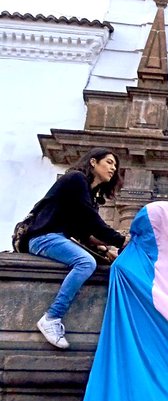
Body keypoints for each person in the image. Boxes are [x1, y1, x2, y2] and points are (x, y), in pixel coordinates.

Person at [26, 148, 126, 350]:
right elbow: (91, 221)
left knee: (98, 262)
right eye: (108, 162)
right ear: (93, 162)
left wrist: (106, 250)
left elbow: (82, 231)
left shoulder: (89, 193)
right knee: (85, 262)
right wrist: (122, 241)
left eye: (115, 165)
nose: (113, 168)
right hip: (43, 237)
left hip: (57, 237)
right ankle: (52, 317)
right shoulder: (76, 179)